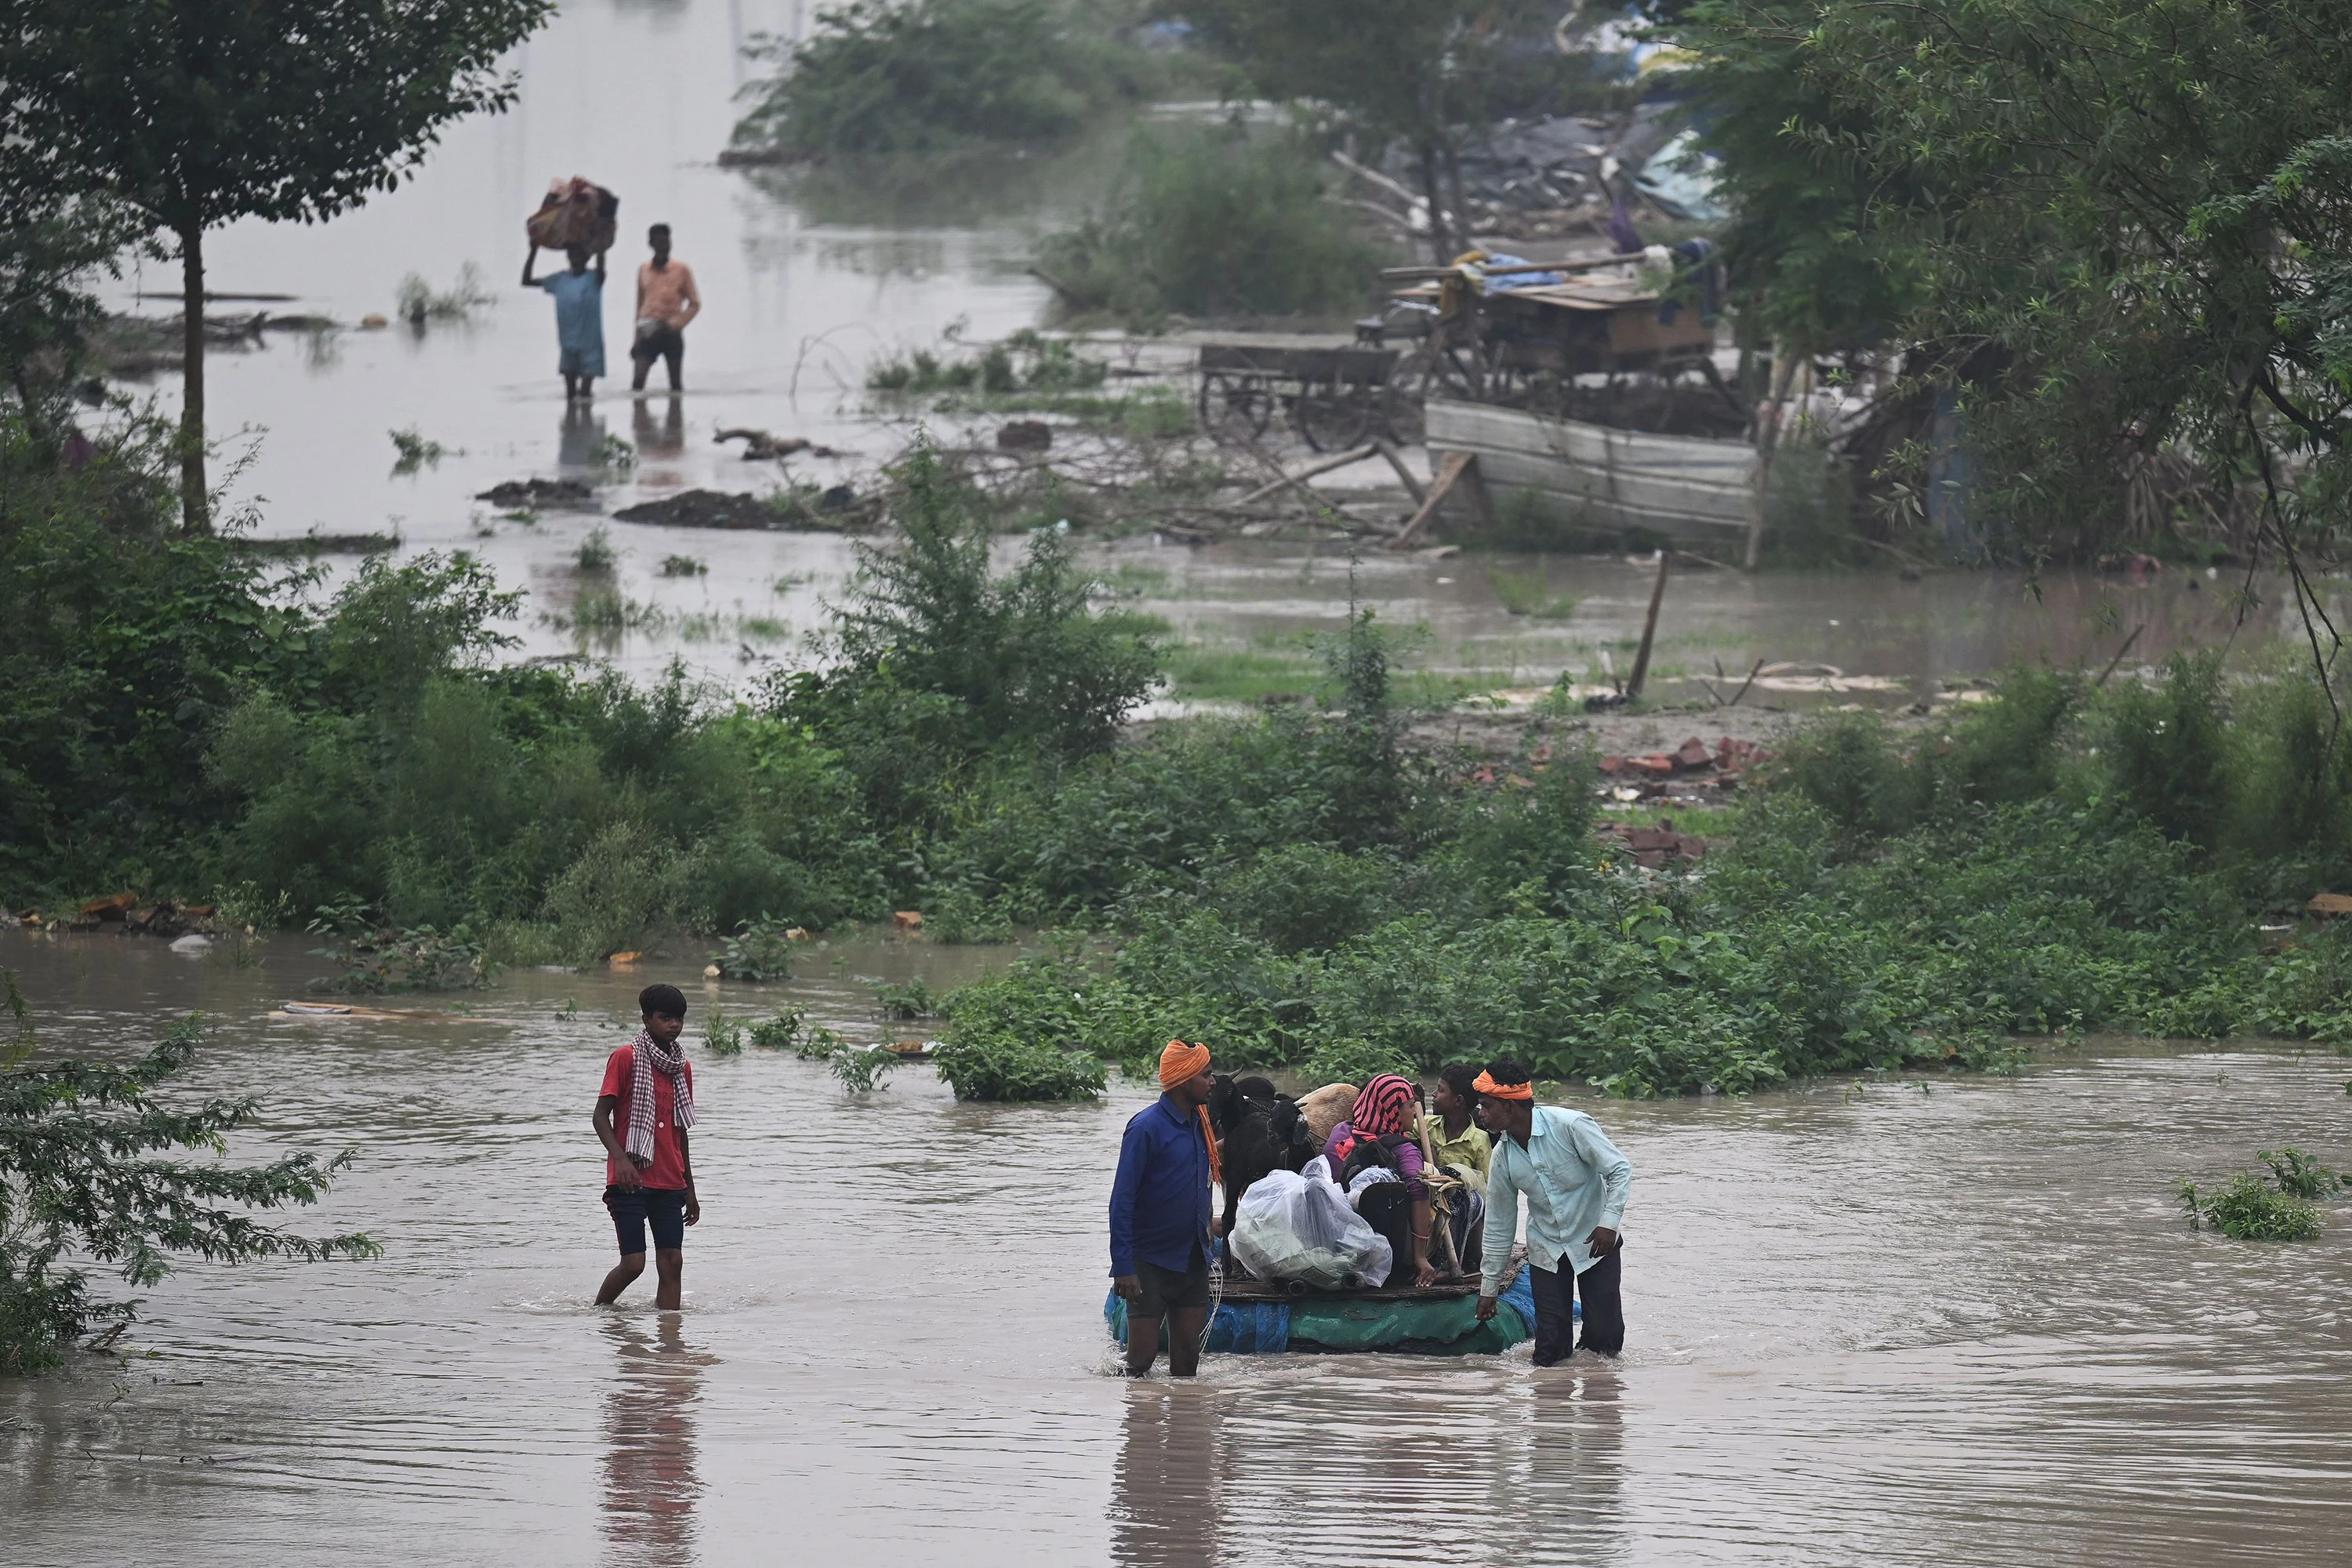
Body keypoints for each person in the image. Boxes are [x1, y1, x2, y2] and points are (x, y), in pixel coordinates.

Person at [1473, 1058, 1632, 1363]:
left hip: (1597, 1243)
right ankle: (1550, 1408)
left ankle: (1600, 1405)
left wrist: (1609, 1223)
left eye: (1486, 1106)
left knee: (1605, 1343)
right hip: (1547, 1249)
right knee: (1549, 1352)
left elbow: (1619, 1170)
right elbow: (1499, 1225)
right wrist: (1489, 1288)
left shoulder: (1571, 1126)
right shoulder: (1502, 1156)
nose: (1481, 1114)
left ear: (1509, 1106)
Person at [1109, 1040, 1221, 1377]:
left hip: (1192, 1260)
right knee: (1139, 1362)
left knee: (1187, 1363)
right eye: (1207, 1075)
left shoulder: (1200, 1126)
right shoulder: (1146, 1128)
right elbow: (1122, 1200)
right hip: (1150, 1264)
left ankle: (1183, 1428)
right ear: (1185, 1080)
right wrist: (1123, 1266)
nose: (1213, 1082)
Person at [594, 984, 701, 1308]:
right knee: (634, 1264)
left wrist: (690, 1189)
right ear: (646, 1019)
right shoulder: (626, 1058)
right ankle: (600, 1315)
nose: (674, 1025)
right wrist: (622, 1160)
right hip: (629, 1180)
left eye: (679, 1018)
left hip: (670, 1181)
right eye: (665, 1017)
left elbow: (681, 1131)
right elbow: (600, 1117)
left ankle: (670, 1343)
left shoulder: (682, 1068)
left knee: (672, 1262)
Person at [1324, 1073, 1439, 1288]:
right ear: (1393, 1110)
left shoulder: (1341, 1133)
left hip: (1339, 1241)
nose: (1414, 1111)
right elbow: (1419, 1193)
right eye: (1410, 1105)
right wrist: (1420, 1258)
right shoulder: (1405, 1149)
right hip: (1390, 1248)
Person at [1419, 1062, 1492, 1277]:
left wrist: (1454, 1180)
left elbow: (1488, 1187)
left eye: (1440, 1090)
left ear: (1458, 1101)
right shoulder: (1426, 1126)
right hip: (1430, 1208)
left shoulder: (1479, 1139)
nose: (1433, 1094)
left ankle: (1452, 1264)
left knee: (1466, 1198)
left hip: (1463, 1213)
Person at [524, 241, 608, 402]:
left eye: (579, 254)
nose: (575, 258)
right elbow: (526, 281)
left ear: (587, 257)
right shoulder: (559, 280)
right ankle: (571, 425)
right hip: (568, 345)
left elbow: (601, 261)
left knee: (584, 396)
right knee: (570, 396)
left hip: (591, 346)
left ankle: (586, 424)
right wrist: (533, 251)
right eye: (572, 254)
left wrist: (600, 244)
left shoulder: (594, 278)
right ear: (567, 256)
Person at [630, 224, 701, 394]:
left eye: (667, 243)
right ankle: (640, 417)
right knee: (637, 383)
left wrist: (676, 324)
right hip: (648, 330)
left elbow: (695, 303)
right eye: (660, 243)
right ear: (651, 244)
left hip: (671, 331)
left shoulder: (681, 270)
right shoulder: (643, 270)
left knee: (675, 385)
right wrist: (636, 339)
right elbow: (639, 306)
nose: (664, 247)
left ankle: (675, 417)